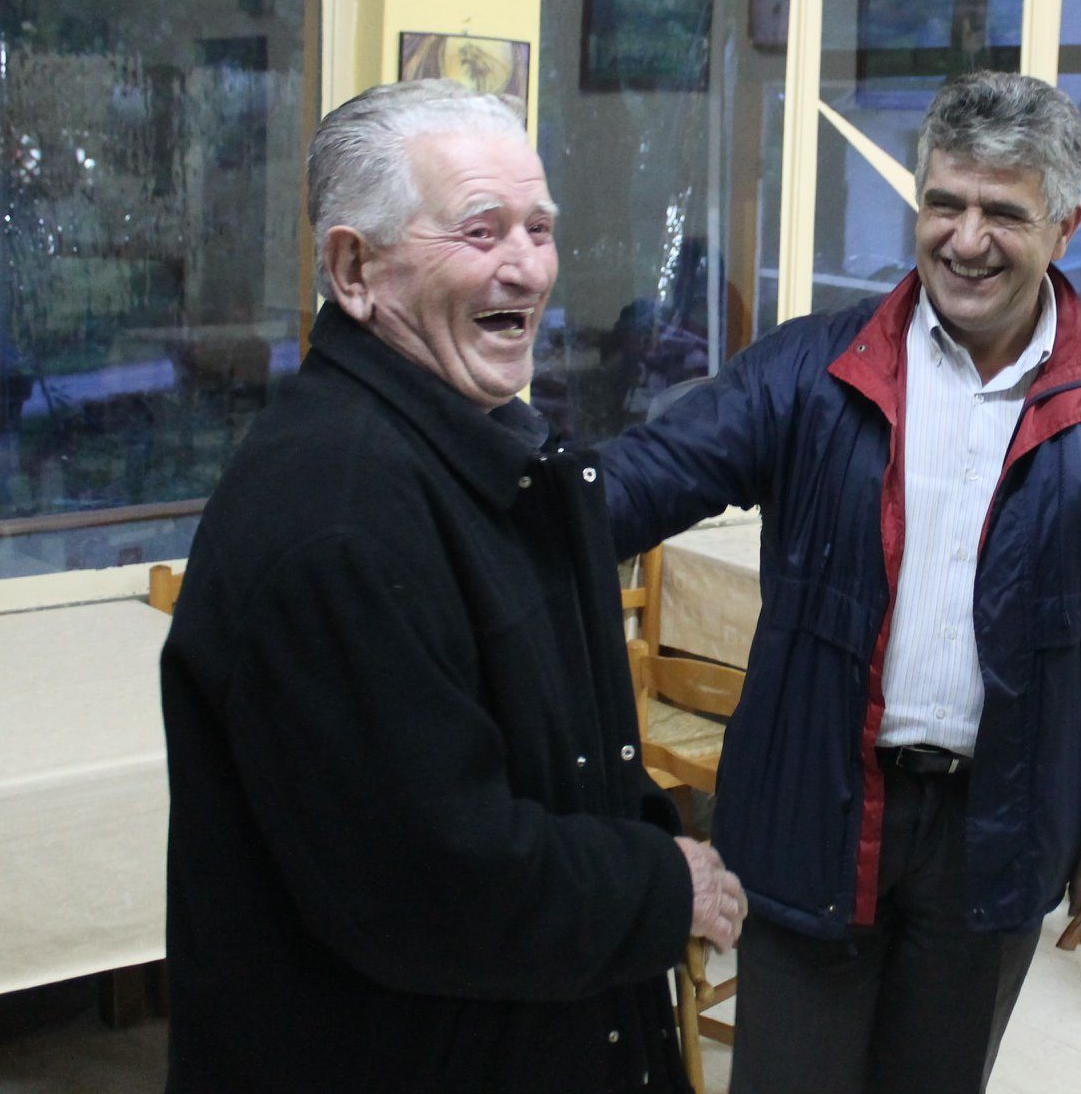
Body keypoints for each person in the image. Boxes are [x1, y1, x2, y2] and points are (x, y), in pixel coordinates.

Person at [161, 80, 745, 1093]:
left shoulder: (480, 456)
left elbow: (552, 750)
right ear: (354, 269)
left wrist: (646, 845)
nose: (528, 266)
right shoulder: (337, 520)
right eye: (480, 231)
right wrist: (661, 884)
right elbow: (434, 880)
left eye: (539, 228)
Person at [601, 71, 1081, 1094]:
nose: (965, 239)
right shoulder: (814, 368)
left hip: (997, 832)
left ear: (1065, 227)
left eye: (1002, 212)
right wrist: (486, 494)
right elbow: (638, 482)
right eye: (944, 202)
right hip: (818, 807)